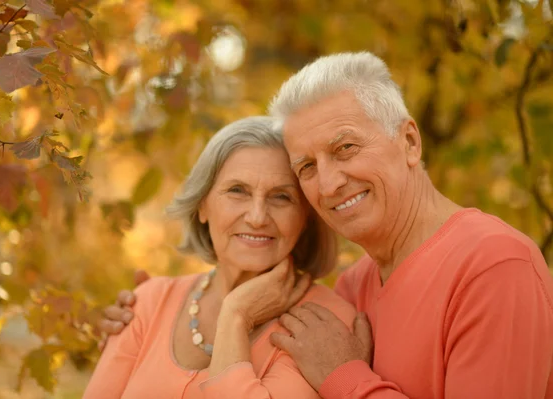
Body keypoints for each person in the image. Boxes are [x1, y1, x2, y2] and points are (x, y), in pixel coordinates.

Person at [100, 52, 553, 399]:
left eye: (346, 148)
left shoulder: (494, 265)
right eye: (307, 167)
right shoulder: (354, 289)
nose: (331, 183)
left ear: (409, 141)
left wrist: (345, 377)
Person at [83, 116, 357, 399]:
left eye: (281, 197)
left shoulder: (326, 324)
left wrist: (235, 316)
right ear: (202, 206)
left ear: (306, 218)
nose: (257, 217)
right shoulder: (148, 303)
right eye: (237, 191)